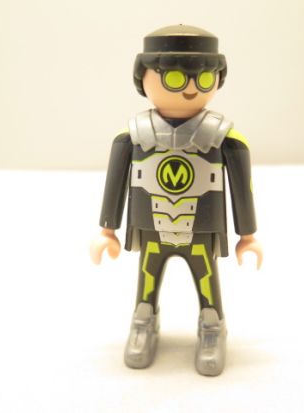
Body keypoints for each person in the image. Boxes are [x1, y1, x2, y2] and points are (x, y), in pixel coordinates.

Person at [90, 24, 262, 376]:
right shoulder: (132, 138)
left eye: (203, 78)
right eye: (174, 78)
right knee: (147, 282)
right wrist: (108, 230)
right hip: (150, 229)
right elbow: (115, 185)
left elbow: (242, 190)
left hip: (201, 231)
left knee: (206, 283)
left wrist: (248, 235)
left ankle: (212, 327)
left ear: (218, 79)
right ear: (143, 77)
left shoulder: (225, 139)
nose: (189, 88)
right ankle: (143, 323)